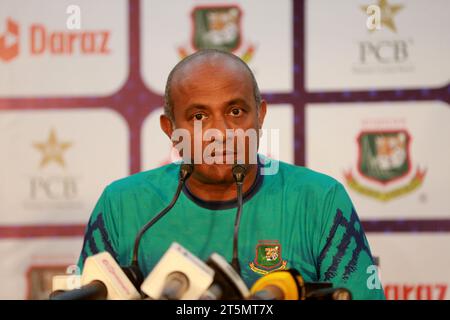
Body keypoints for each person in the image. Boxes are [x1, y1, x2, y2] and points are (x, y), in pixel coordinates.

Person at [77, 49, 385, 300]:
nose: (220, 133)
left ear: (260, 116)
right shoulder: (120, 204)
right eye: (199, 117)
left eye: (235, 112)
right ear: (170, 129)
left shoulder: (320, 200)